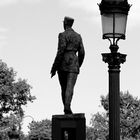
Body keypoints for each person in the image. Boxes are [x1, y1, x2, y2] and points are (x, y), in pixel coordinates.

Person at [51, 16, 85, 114]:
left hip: (63, 63)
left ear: (65, 23)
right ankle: (67, 106)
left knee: (64, 87)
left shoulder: (62, 35)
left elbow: (60, 51)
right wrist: (78, 64)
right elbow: (82, 53)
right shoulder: (78, 36)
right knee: (70, 87)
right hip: (74, 62)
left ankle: (66, 107)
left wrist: (54, 67)